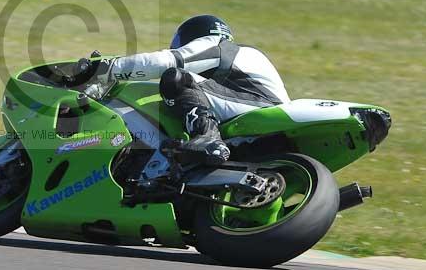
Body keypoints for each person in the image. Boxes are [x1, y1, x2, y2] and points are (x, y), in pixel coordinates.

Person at [100, 15, 290, 165]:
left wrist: (109, 68)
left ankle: (207, 137)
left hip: (259, 108)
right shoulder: (240, 63)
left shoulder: (218, 44)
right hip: (262, 123)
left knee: (176, 79)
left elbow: (166, 61)